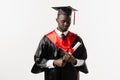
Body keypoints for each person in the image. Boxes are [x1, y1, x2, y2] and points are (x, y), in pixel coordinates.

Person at [31, 6, 88, 80]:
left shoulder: (77, 39)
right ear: (57, 20)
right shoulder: (46, 39)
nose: (66, 24)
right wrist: (54, 62)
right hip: (52, 77)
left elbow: (83, 60)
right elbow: (38, 59)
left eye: (68, 21)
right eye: (63, 21)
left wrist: (74, 61)